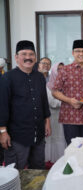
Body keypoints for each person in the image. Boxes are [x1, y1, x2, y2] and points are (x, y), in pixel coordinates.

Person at [0, 40, 51, 169]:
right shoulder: (7, 78)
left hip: (38, 134)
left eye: (31, 54)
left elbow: (43, 101)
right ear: (16, 57)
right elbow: (2, 106)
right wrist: (3, 132)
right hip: (17, 136)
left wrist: (47, 121)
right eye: (24, 54)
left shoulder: (39, 77)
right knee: (16, 171)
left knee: (38, 168)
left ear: (35, 57)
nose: (28, 57)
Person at [52, 40, 83, 145]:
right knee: (73, 149)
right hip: (70, 117)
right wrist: (69, 100)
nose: (81, 54)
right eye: (78, 51)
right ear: (73, 53)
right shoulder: (65, 70)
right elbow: (55, 91)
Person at [45, 62, 66, 163]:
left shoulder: (67, 84)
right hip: (53, 117)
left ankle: (61, 160)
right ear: (53, 71)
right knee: (55, 137)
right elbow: (52, 103)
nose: (61, 71)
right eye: (59, 69)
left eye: (63, 69)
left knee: (63, 137)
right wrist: (68, 101)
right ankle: (52, 160)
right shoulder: (48, 86)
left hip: (65, 117)